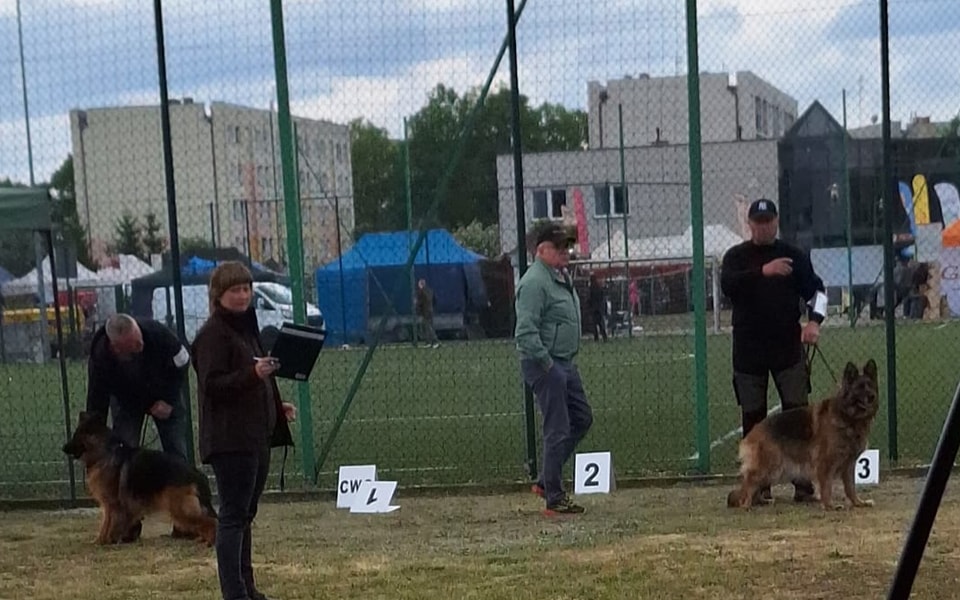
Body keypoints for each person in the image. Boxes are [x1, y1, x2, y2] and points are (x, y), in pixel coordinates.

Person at [192, 261, 296, 600]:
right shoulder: (213, 335)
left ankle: (247, 587)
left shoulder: (246, 328)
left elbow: (255, 379)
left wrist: (275, 407)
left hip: (255, 436)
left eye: (246, 289)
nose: (242, 295)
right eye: (235, 290)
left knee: (245, 515)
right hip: (230, 440)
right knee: (233, 517)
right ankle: (234, 592)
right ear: (218, 295)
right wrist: (253, 376)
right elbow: (213, 385)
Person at [720, 198, 827, 503]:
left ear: (776, 222)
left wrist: (814, 321)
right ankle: (757, 486)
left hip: (787, 348)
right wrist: (763, 272)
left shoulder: (794, 256)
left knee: (797, 415)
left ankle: (803, 485)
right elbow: (729, 285)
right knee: (753, 417)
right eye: (758, 222)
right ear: (750, 225)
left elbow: (818, 292)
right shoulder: (736, 257)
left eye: (769, 221)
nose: (764, 227)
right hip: (748, 350)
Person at [85, 312, 191, 539]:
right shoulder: (101, 356)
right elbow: (97, 397)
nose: (140, 345)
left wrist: (169, 399)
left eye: (139, 339)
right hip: (129, 402)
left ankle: (185, 522)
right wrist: (93, 429)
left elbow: (183, 362)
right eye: (133, 345)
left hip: (165, 396)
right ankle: (127, 524)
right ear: (116, 348)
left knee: (176, 453)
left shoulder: (158, 334)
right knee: (122, 459)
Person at [515, 221, 593, 515]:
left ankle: (546, 480)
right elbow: (525, 332)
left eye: (567, 247)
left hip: (564, 362)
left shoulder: (559, 276)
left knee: (581, 418)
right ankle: (554, 497)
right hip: (546, 364)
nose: (565, 252)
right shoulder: (535, 282)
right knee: (557, 428)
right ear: (541, 250)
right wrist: (548, 364)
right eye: (559, 247)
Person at [415, 278, 440, 348]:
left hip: (425, 311)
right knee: (429, 326)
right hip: (430, 310)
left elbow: (420, 302)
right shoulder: (430, 291)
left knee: (428, 327)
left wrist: (417, 307)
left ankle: (435, 341)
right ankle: (429, 342)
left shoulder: (421, 292)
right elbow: (435, 300)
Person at [588, 274, 608, 342]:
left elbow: (590, 299)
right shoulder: (599, 288)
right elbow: (602, 297)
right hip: (599, 308)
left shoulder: (591, 288)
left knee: (594, 325)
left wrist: (590, 306)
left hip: (594, 309)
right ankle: (604, 337)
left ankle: (596, 338)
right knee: (601, 324)